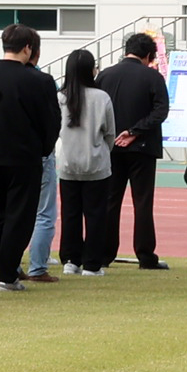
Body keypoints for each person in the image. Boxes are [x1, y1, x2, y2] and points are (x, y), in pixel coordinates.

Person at [0, 28, 58, 289]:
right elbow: (51, 122)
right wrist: (43, 148)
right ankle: (7, 275)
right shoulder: (40, 81)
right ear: (28, 48)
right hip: (25, 157)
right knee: (19, 218)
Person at [96, 33, 170, 271]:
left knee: (110, 201)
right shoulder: (152, 76)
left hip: (111, 147)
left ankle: (104, 254)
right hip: (143, 148)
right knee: (143, 202)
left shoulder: (105, 75)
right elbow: (161, 111)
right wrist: (135, 131)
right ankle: (145, 255)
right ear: (148, 55)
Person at [51, 48, 116, 277]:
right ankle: (92, 264)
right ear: (90, 70)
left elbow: (55, 129)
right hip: (96, 164)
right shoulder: (101, 97)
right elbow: (110, 133)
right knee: (96, 215)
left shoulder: (60, 98)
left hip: (68, 164)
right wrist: (102, 151)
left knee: (70, 214)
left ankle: (70, 259)